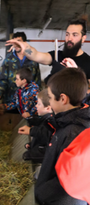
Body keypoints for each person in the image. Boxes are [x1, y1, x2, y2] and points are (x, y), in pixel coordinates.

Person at [35, 68, 90, 205]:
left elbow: (69, 180)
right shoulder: (66, 123)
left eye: (50, 97)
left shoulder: (73, 133)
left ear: (63, 99)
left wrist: (42, 193)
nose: (50, 102)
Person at [5, 17, 90, 87]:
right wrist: (25, 47)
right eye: (67, 34)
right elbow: (36, 55)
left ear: (83, 38)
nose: (69, 38)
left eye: (74, 35)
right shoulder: (57, 55)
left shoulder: (88, 62)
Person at [0, 32, 41, 104]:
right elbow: (2, 79)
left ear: (24, 43)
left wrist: (37, 98)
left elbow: (37, 80)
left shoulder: (33, 58)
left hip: (28, 102)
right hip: (10, 100)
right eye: (14, 42)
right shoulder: (8, 59)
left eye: (18, 41)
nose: (16, 44)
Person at [18, 88, 54, 163]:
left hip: (47, 156)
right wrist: (31, 144)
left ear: (48, 108)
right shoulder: (46, 119)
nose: (36, 106)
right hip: (43, 149)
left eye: (39, 104)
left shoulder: (51, 122)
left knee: (27, 155)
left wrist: (31, 130)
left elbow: (46, 135)